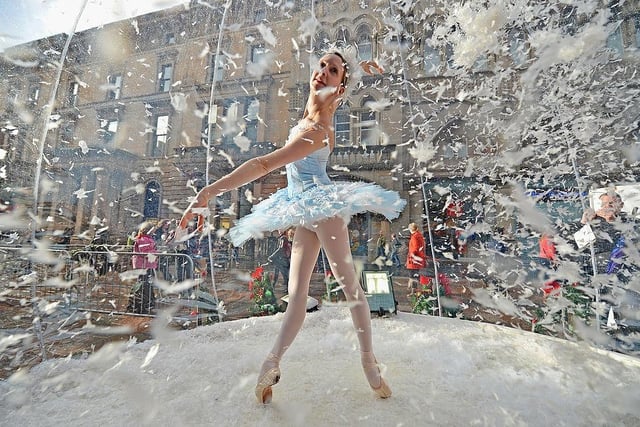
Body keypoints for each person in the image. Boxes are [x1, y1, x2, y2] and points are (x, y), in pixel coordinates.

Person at [177, 51, 405, 403]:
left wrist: (210, 190)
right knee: (297, 295)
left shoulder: (318, 131)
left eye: (332, 71)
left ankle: (368, 363)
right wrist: (360, 68)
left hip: (323, 208)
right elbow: (339, 89)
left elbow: (264, 163)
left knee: (350, 287)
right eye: (322, 66)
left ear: (337, 84)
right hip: (303, 210)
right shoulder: (312, 114)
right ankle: (271, 363)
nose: (322, 73)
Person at [128, 222, 158, 314]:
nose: (154, 231)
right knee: (143, 285)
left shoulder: (147, 239)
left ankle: (146, 304)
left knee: (146, 285)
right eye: (152, 229)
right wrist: (156, 255)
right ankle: (139, 306)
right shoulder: (143, 239)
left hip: (147, 265)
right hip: (143, 265)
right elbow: (144, 252)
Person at [406, 223, 427, 290]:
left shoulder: (415, 236)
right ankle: (412, 290)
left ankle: (413, 292)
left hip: (413, 260)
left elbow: (415, 248)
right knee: (414, 275)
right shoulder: (419, 235)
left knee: (412, 276)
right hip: (417, 259)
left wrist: (412, 255)